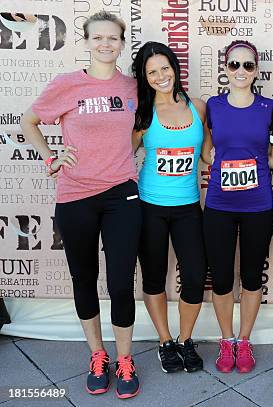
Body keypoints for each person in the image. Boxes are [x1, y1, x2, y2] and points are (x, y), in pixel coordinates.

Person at [20, 11, 141, 398]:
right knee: (83, 279)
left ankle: (124, 360)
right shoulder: (67, 84)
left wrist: (124, 156)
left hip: (121, 194)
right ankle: (97, 355)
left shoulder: (133, 86)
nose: (106, 44)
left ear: (122, 43)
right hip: (74, 196)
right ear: (86, 42)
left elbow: (139, 130)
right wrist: (50, 159)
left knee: (121, 283)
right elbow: (28, 122)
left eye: (113, 38)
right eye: (98, 38)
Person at [131, 41, 206, 374]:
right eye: (152, 72)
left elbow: (207, 153)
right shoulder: (142, 114)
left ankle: (185, 339)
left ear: (175, 69)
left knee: (193, 277)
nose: (160, 76)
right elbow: (119, 156)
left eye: (165, 68)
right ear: (144, 78)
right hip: (150, 207)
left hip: (189, 206)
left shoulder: (198, 108)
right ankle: (165, 342)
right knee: (154, 278)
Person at [201, 40, 273, 374]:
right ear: (225, 69)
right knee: (220, 279)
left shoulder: (269, 108)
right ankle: (227, 339)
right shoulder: (213, 106)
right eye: (234, 65)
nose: (241, 71)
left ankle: (244, 341)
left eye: (248, 65)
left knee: (250, 277)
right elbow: (206, 150)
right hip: (219, 203)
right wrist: (211, 158)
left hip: (258, 204)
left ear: (256, 70)